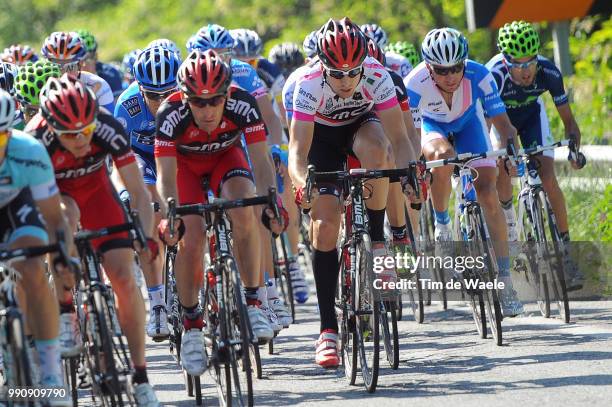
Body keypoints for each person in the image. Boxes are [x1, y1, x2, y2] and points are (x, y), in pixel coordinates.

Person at [288, 17, 418, 368]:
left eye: (352, 72)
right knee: (324, 228)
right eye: (337, 74)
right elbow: (297, 155)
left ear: (364, 65)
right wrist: (304, 185)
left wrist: (409, 173)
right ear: (323, 67)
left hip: (362, 128)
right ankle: (327, 328)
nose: (346, 81)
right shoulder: (308, 84)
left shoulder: (377, 75)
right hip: (322, 143)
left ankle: (377, 242)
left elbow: (401, 140)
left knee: (379, 152)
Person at [25, 74, 160, 406]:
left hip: (99, 194)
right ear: (51, 126)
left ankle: (140, 376)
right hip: (58, 197)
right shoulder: (34, 140)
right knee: (65, 217)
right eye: (72, 134)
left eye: (87, 130)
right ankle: (66, 308)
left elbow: (140, 194)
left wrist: (144, 234)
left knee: (125, 278)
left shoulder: (106, 127)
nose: (82, 138)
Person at [155, 50, 286, 376]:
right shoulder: (169, 114)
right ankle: (192, 325)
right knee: (193, 237)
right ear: (184, 98)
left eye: (215, 100)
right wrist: (171, 217)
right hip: (184, 168)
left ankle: (254, 302)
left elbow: (260, 163)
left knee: (245, 210)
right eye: (198, 103)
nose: (208, 109)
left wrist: (271, 201)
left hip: (226, 159)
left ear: (227, 93)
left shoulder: (243, 104)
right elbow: (166, 178)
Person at [404, 27, 524, 317]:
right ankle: (443, 224)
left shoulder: (480, 75)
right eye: (442, 70)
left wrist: (511, 151)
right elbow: (413, 137)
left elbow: (504, 124)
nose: (451, 76)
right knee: (441, 157)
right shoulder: (414, 83)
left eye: (457, 68)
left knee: (488, 194)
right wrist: (416, 169)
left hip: (469, 124)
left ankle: (505, 281)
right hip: (433, 128)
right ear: (429, 68)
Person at [187, 24, 292, 330]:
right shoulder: (191, 78)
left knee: (253, 210)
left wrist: (279, 148)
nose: (219, 59)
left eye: (225, 54)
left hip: (242, 143)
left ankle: (266, 290)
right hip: (200, 151)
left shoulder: (244, 73)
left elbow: (268, 117)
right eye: (211, 54)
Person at [487, 20, 585, 289]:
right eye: (518, 65)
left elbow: (570, 122)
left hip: (532, 117)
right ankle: (509, 227)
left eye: (530, 62)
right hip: (501, 120)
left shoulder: (549, 72)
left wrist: (574, 149)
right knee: (501, 166)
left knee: (548, 177)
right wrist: (491, 157)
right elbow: (484, 126)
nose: (526, 71)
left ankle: (565, 253)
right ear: (506, 62)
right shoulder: (493, 75)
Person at [0, 89, 72, 406]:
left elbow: (55, 217)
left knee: (33, 269)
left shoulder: (28, 150)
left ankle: (51, 370)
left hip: (15, 206)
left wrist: (61, 258)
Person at [114, 45, 181, 339]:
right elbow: (120, 159)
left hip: (177, 154)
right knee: (152, 213)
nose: (161, 101)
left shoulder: (187, 99)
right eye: (153, 95)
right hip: (142, 158)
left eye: (168, 93)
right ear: (139, 88)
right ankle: (156, 304)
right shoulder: (125, 106)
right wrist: (127, 192)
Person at [40, 31, 115, 112]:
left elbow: (109, 123)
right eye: (55, 67)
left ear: (81, 64)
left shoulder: (99, 86)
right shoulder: (38, 86)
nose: (62, 73)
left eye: (70, 66)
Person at [75, 29, 125, 100]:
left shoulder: (110, 74)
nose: (84, 64)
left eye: (89, 58)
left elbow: (116, 107)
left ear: (96, 57)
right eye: (79, 60)